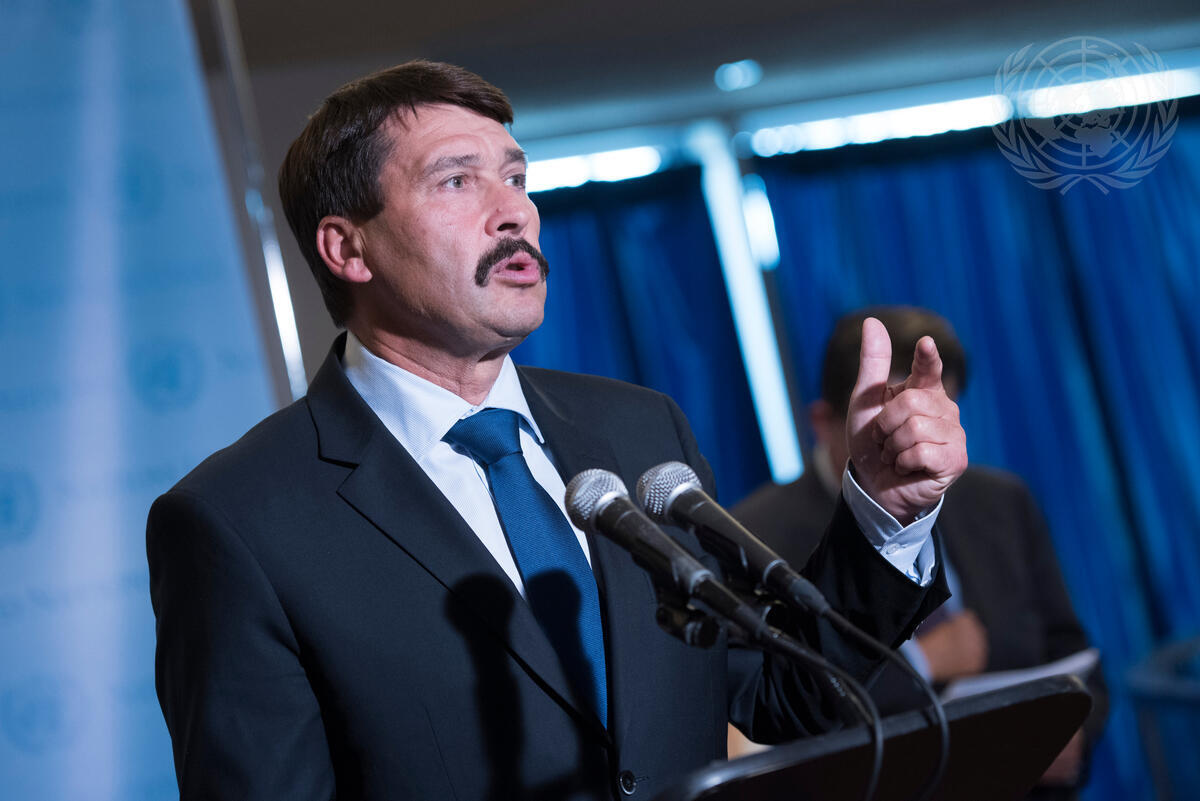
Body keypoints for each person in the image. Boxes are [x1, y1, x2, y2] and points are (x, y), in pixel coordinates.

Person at [146, 63, 967, 800]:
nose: (515, 212)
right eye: (456, 181)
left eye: (516, 177)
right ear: (348, 248)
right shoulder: (239, 521)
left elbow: (783, 693)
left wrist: (885, 513)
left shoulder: (641, 429)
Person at [732, 306, 1108, 800]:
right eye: (895, 426)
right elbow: (770, 716)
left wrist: (1071, 735)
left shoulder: (1002, 502)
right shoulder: (751, 536)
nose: (917, 448)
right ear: (823, 423)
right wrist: (923, 662)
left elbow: (1076, 662)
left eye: (935, 420)